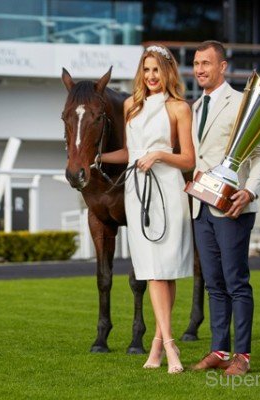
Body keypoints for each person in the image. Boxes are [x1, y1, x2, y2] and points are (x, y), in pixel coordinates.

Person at [99, 44, 195, 374]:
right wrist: (97, 158)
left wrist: (158, 155)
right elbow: (130, 151)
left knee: (164, 270)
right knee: (152, 269)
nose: (151, 76)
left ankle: (163, 344)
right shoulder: (130, 106)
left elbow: (188, 159)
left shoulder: (180, 108)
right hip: (138, 193)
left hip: (168, 190)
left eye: (156, 69)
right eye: (146, 70)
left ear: (167, 72)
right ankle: (164, 344)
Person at [189, 40, 260, 376]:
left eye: (206, 63)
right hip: (201, 208)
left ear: (222, 67)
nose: (199, 69)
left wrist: (249, 192)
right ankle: (219, 350)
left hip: (233, 208)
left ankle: (243, 356)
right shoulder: (194, 107)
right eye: (195, 63)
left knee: (236, 282)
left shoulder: (242, 103)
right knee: (213, 283)